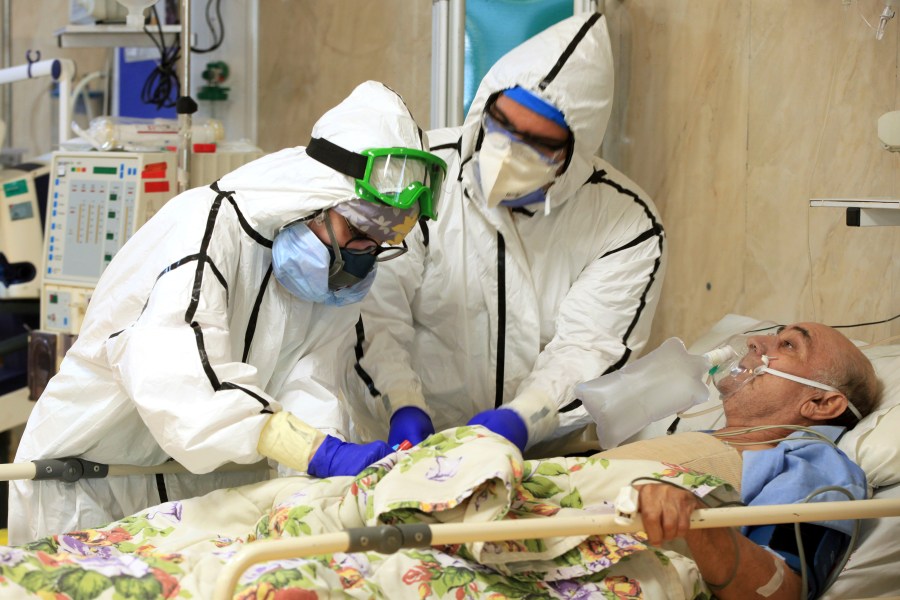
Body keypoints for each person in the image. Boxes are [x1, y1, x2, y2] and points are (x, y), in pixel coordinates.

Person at [8, 81, 447, 544]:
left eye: (385, 237)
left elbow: (311, 380)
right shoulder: (203, 233)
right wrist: (316, 452)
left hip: (198, 499)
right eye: (361, 228)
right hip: (90, 487)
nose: (367, 250)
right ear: (318, 198)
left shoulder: (327, 281)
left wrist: (327, 455)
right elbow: (180, 381)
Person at [343, 13, 667, 456]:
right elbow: (376, 312)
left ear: (572, 152)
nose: (508, 149)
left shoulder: (625, 224)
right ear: (484, 107)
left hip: (539, 453)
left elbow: (589, 347)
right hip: (396, 443)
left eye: (537, 143)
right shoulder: (418, 174)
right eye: (501, 124)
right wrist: (401, 402)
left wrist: (526, 416)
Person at [627, 322, 882, 599]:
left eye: (788, 345)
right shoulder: (696, 440)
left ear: (821, 403)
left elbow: (779, 591)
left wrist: (696, 521)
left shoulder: (812, 466)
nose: (754, 342)